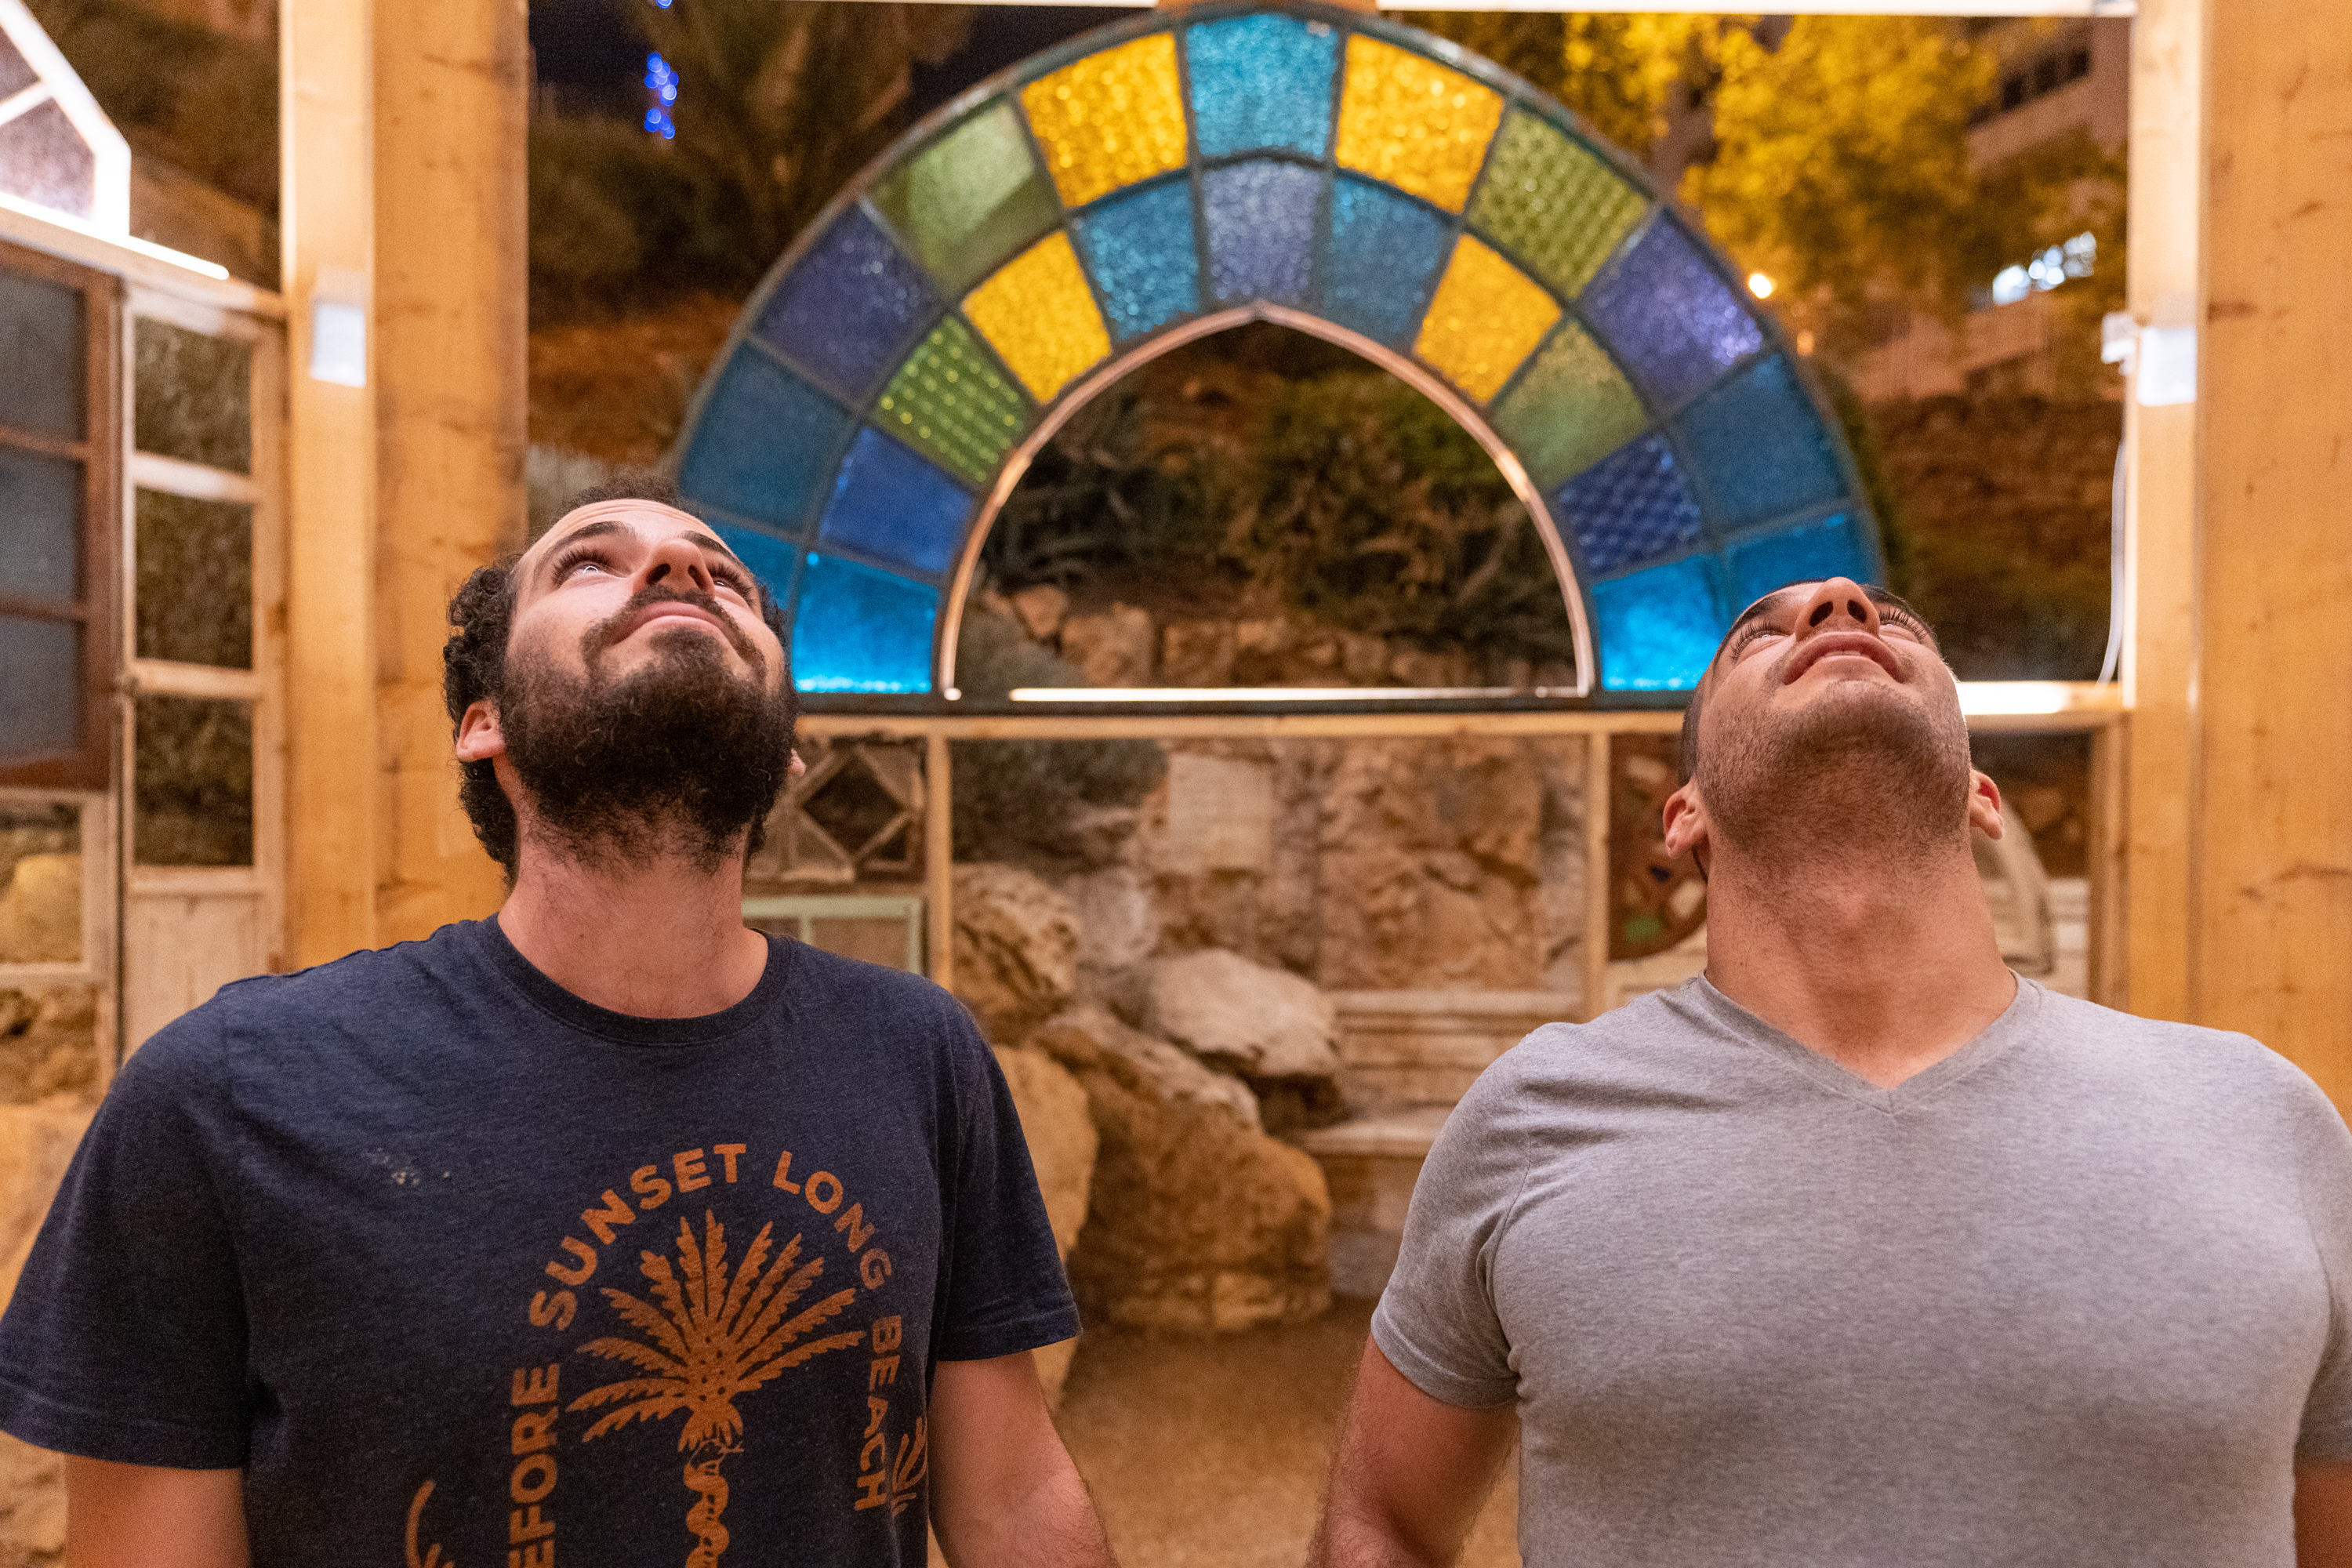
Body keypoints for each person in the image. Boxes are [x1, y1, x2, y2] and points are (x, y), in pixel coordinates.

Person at [0, 481, 1116, 1568]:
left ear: (786, 746)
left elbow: (1012, 1495)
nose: (679, 569)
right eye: (590, 563)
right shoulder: (227, 1096)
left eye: (725, 579)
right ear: (485, 724)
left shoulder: (920, 1055)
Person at [1310, 575, 2352, 1567]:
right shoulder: (1533, 1119)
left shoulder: (2261, 1117)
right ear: (1683, 816)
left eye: (1895, 626)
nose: (1840, 606)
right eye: (1759, 636)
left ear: (1982, 797)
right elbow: (1380, 1520)